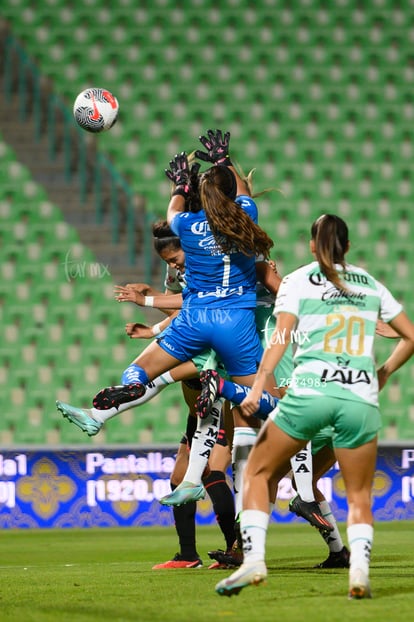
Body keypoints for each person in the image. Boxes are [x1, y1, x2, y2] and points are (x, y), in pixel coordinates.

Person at [214, 213, 414, 600]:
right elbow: (410, 336)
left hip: (309, 394)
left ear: (310, 245)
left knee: (257, 471)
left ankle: (254, 560)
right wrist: (385, 371)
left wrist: (257, 386)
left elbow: (281, 338)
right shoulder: (370, 283)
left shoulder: (297, 281)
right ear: (348, 247)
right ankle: (358, 573)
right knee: (357, 494)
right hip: (358, 398)